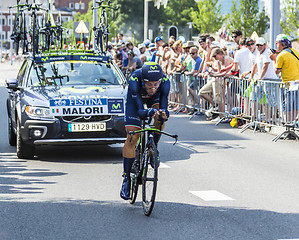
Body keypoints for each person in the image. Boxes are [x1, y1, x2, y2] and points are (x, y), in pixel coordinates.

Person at [120, 62, 170, 200]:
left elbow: (164, 107)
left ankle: (153, 147)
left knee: (160, 117)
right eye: (149, 84)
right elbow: (141, 111)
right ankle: (126, 179)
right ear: (143, 81)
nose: (153, 88)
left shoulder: (165, 82)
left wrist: (162, 113)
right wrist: (148, 112)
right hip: (136, 100)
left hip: (154, 101)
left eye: (156, 84)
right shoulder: (135, 79)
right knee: (133, 136)